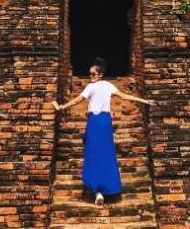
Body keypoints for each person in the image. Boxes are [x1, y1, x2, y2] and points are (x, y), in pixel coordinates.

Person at [51, 57, 155, 205]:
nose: (90, 76)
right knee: (105, 154)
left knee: (94, 154)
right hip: (105, 122)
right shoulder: (108, 85)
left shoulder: (91, 87)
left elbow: (76, 101)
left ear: (100, 74)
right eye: (90, 74)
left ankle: (98, 190)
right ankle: (103, 189)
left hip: (95, 121)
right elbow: (124, 96)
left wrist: (61, 107)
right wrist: (144, 101)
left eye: (93, 74)